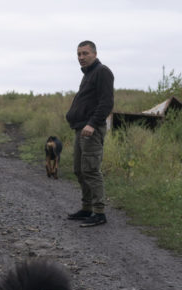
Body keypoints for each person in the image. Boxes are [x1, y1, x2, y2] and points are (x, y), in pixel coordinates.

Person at [65, 40, 114, 227]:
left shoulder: (102, 72)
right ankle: (87, 208)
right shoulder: (88, 74)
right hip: (81, 128)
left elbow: (106, 103)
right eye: (78, 54)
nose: (81, 57)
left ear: (94, 53)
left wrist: (92, 124)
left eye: (85, 53)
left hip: (91, 129)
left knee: (91, 170)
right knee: (79, 170)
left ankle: (99, 212)